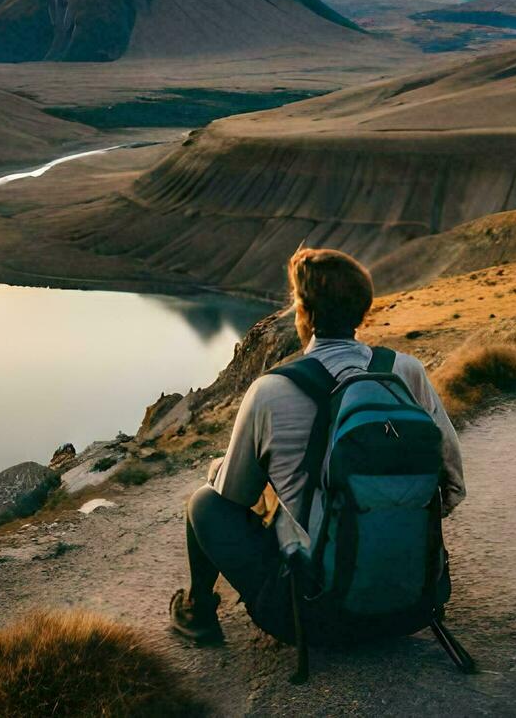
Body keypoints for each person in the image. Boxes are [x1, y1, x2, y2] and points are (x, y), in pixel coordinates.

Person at [170, 246, 465, 645]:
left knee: (204, 502)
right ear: (362, 312)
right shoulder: (406, 372)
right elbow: (452, 485)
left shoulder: (271, 390)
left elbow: (235, 496)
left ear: (304, 313)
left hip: (312, 617)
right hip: (415, 603)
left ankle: (198, 612)